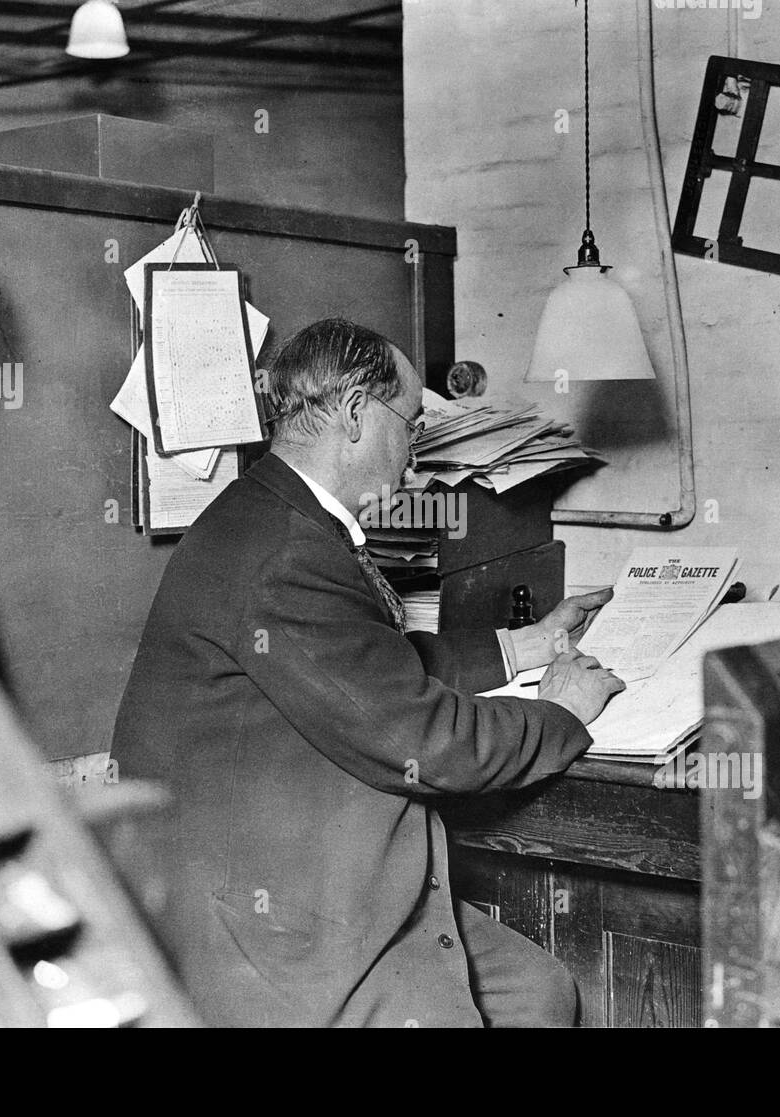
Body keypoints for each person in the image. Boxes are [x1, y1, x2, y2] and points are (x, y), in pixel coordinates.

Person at [111, 317, 624, 1026]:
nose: (415, 455)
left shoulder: (280, 513)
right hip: (271, 925)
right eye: (412, 424)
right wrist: (562, 713)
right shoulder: (284, 554)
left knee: (540, 991)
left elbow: (373, 670)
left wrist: (524, 646)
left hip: (314, 879)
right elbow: (426, 738)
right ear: (355, 414)